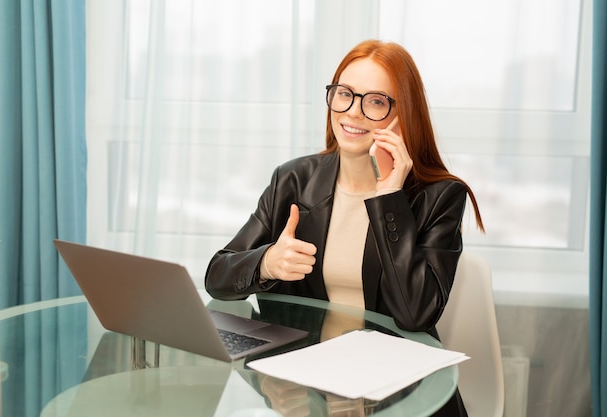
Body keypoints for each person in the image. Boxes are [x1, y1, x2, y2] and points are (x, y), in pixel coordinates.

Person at [205, 39, 484, 417]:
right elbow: (218, 275)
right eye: (345, 94)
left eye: (375, 101)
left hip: (398, 391)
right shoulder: (294, 179)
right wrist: (267, 263)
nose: (353, 113)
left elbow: (415, 315)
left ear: (404, 115)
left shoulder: (439, 196)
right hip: (307, 381)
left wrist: (389, 197)